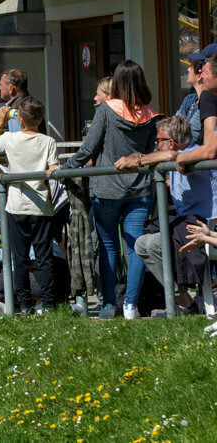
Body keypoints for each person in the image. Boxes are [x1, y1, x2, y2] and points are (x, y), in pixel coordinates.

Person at [52, 60, 159, 320]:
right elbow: (151, 152)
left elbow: (88, 148)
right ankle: (131, 305)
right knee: (136, 247)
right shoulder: (150, 114)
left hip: (107, 188)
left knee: (109, 246)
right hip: (141, 188)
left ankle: (109, 305)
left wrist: (64, 169)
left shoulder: (107, 110)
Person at [117, 116, 212, 316]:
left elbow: (171, 157)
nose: (155, 143)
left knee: (151, 244)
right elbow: (163, 157)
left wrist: (139, 160)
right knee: (142, 243)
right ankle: (185, 302)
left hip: (207, 228)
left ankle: (185, 305)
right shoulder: (174, 156)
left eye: (158, 140)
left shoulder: (190, 156)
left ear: (170, 143)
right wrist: (137, 157)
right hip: (187, 226)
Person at [0, 96, 60, 314]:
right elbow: (54, 168)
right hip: (41, 206)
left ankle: (24, 305)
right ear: (40, 120)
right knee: (44, 257)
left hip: (16, 206)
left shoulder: (10, 138)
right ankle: (48, 304)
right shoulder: (48, 141)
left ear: (19, 119)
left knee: (20, 258)